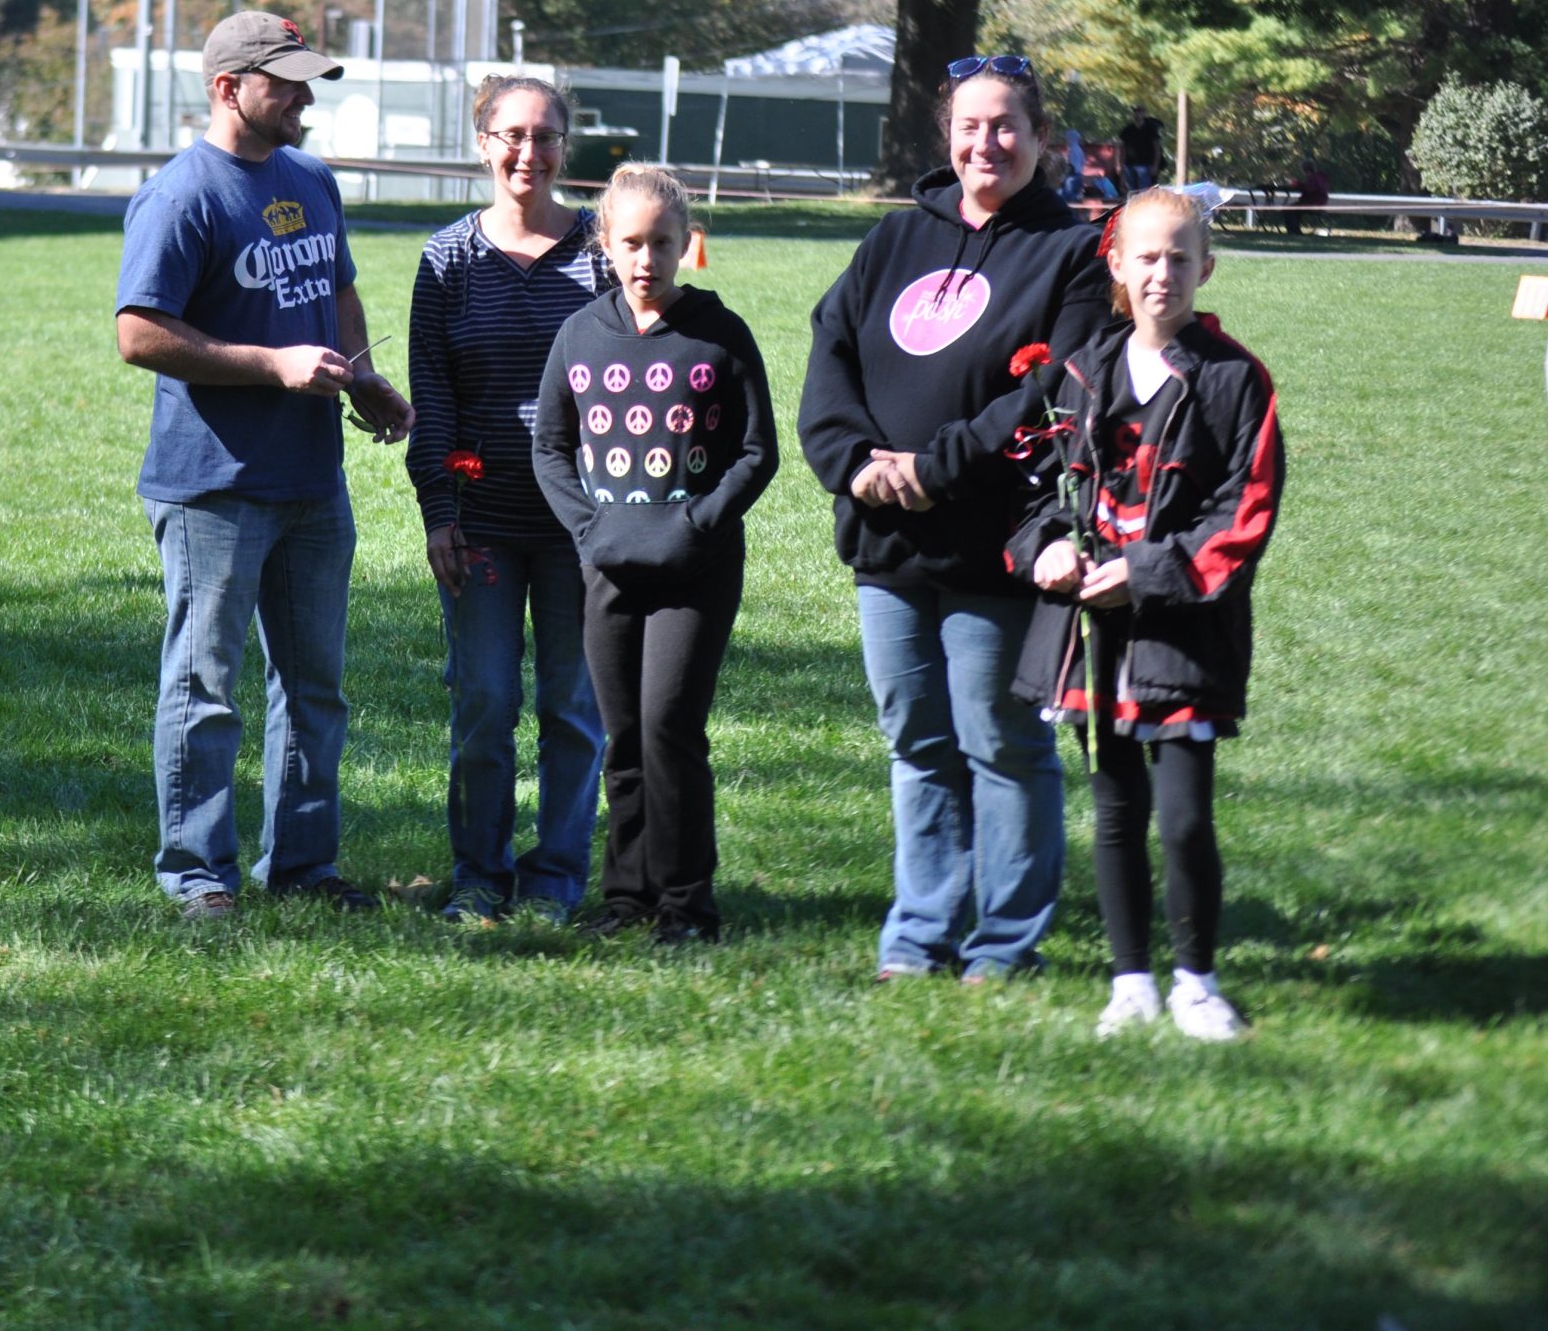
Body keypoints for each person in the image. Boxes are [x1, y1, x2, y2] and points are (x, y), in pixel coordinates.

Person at [796, 54, 1112, 982]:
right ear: (948, 135)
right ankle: (918, 935)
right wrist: (854, 464)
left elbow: (1060, 387)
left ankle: (1005, 945)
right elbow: (831, 357)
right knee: (918, 742)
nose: (988, 142)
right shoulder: (894, 241)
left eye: (1007, 125)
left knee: (1001, 741)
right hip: (887, 539)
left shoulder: (1073, 251)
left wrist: (938, 468)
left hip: (998, 540)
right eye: (971, 125)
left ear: (1041, 138)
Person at [114, 10, 415, 922]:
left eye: (305, 77)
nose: (303, 95)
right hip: (215, 482)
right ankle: (198, 871)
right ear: (226, 87)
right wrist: (273, 364)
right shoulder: (182, 197)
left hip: (311, 478)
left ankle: (305, 867)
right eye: (283, 80)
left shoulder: (310, 179)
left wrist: (361, 378)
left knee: (314, 686)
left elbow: (339, 289)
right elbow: (137, 334)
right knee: (206, 687)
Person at [1008, 187, 1283, 1040]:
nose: (1163, 273)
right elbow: (1030, 484)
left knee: (1186, 814)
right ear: (1118, 266)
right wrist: (1045, 546)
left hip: (1182, 631)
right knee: (1116, 809)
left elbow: (1245, 513)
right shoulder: (1080, 370)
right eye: (1146, 257)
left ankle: (1197, 982)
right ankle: (1131, 984)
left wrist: (1148, 571)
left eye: (1179, 257)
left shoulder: (1237, 379)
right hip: (1093, 632)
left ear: (1206, 266)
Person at [531, 165, 777, 944]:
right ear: (604, 243)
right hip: (606, 567)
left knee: (670, 725)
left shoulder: (719, 331)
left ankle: (686, 904)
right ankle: (627, 896)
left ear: (686, 244)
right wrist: (588, 529)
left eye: (661, 244)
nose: (646, 260)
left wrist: (698, 524)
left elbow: (756, 451)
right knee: (624, 736)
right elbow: (550, 445)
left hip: (694, 571)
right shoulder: (580, 334)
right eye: (630, 243)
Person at [405, 75, 612, 927]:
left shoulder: (606, 251)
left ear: (568, 145)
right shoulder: (448, 259)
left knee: (574, 707)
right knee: (484, 703)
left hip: (583, 527)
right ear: (484, 144)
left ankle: (557, 878)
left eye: (548, 135)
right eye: (513, 135)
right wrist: (439, 513)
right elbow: (434, 394)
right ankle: (479, 878)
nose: (531, 152)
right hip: (482, 524)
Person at [1119, 107, 1163, 194]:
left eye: (1140, 112)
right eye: (1135, 112)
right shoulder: (1128, 130)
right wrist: (1121, 166)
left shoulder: (1150, 129)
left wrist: (1155, 165)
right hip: (1129, 165)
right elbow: (1122, 149)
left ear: (1144, 114)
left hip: (1145, 165)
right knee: (1132, 191)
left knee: (1144, 191)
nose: (1137, 114)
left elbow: (1157, 149)